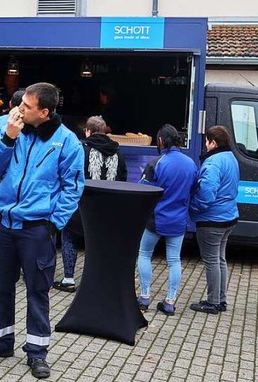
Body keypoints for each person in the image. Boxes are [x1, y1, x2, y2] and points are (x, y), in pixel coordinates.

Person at [0, 82, 85, 379]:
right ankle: (0, 341)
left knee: (37, 291)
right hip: (4, 224)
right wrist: (8, 139)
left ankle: (37, 352)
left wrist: (53, 223)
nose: (18, 110)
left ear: (44, 112)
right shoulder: (11, 130)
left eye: (26, 107)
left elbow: (73, 189)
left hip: (37, 229)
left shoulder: (67, 142)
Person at [53, 115, 128, 292]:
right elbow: (122, 178)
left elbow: (72, 175)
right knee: (99, 244)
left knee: (69, 238)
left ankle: (69, 279)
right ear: (104, 131)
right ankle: (98, 280)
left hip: (81, 206)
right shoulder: (118, 152)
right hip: (107, 208)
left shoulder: (81, 149)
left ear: (88, 131)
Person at [136, 124, 197, 315]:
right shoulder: (191, 164)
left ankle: (144, 297)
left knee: (145, 254)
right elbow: (194, 190)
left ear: (161, 141)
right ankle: (170, 301)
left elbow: (143, 191)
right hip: (178, 221)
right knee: (174, 260)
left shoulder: (157, 163)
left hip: (156, 220)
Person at [189, 125, 239, 314]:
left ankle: (212, 302)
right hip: (229, 216)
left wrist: (192, 207)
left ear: (213, 143)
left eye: (206, 142)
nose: (205, 145)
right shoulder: (231, 158)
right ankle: (221, 300)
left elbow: (206, 194)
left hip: (212, 220)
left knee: (211, 260)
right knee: (220, 259)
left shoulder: (212, 163)